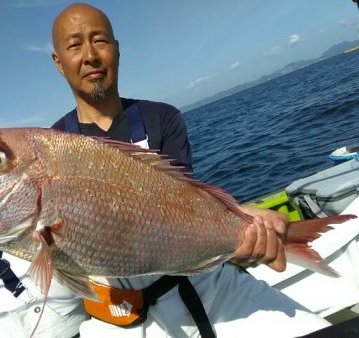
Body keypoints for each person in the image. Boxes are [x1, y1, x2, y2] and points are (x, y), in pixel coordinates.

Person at [48, 3, 331, 338]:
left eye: (100, 41)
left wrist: (240, 225)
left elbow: (182, 205)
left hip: (203, 281)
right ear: (59, 62)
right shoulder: (54, 148)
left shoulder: (161, 118)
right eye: (74, 45)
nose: (90, 55)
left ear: (117, 50)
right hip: (125, 310)